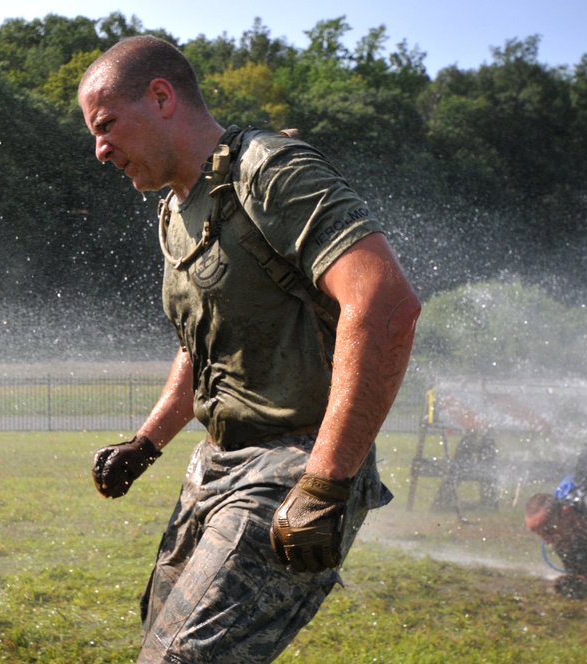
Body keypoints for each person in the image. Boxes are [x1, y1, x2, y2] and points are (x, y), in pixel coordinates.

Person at [78, 36, 421, 662]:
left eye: (106, 126)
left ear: (161, 97)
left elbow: (385, 304)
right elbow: (206, 343)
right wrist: (145, 442)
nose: (100, 151)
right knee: (156, 635)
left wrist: (325, 483)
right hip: (216, 463)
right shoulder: (175, 210)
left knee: (183, 657)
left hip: (295, 465)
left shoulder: (269, 171)